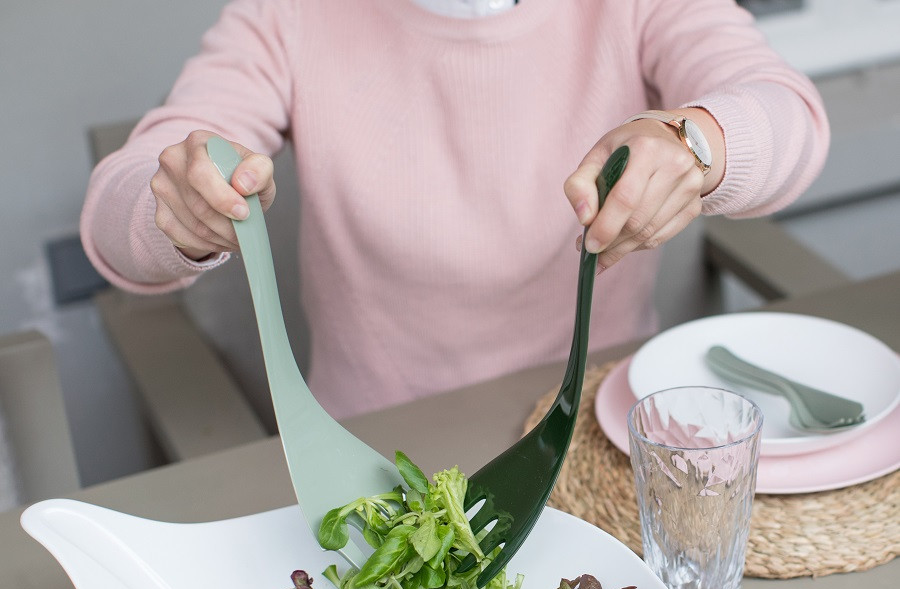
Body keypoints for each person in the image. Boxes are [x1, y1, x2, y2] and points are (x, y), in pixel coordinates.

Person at [81, 0, 829, 420]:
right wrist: (174, 205)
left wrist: (696, 143)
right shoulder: (289, 13)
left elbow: (784, 112)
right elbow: (126, 203)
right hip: (371, 442)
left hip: (596, 422)